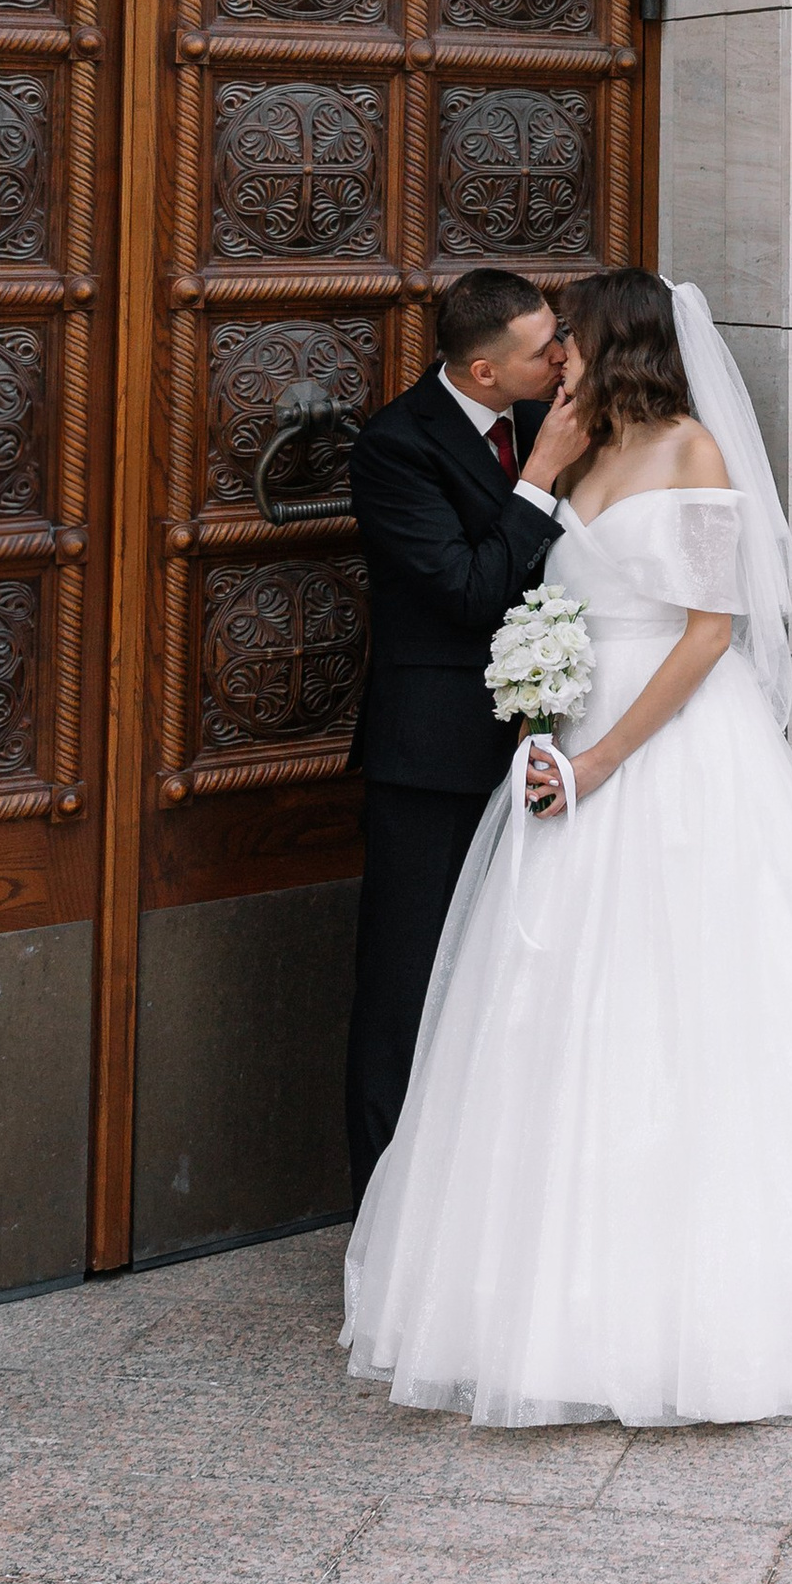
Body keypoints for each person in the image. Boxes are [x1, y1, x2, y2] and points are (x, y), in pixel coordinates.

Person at [343, 266, 792, 1426]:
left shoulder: (691, 453)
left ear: (616, 348)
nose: (560, 365)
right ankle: (529, 1283)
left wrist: (600, 759)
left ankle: (727, 1298)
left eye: (574, 345)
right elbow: (525, 594)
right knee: (549, 1007)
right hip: (566, 759)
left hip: (671, 759)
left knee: (696, 1002)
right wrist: (555, 724)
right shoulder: (571, 456)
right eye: (548, 350)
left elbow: (709, 636)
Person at [343, 264, 578, 1206]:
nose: (561, 358)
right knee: (405, 988)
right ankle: (380, 1222)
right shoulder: (395, 448)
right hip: (432, 758)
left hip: (542, 753)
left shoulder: (544, 412)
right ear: (484, 373)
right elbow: (471, 591)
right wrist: (545, 476)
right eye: (543, 350)